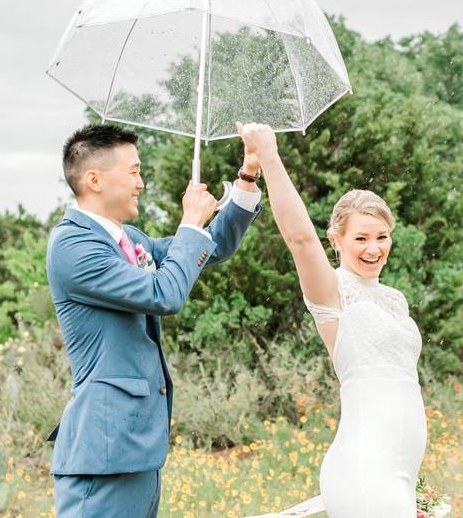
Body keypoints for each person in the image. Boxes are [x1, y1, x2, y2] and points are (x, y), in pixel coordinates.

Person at [45, 123, 263, 518]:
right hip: (103, 455)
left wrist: (246, 177)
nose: (141, 183)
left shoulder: (130, 239)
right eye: (133, 171)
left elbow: (205, 250)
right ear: (94, 179)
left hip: (136, 449)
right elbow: (164, 293)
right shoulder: (72, 246)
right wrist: (189, 222)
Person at [237, 122, 426, 518]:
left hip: (402, 472)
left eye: (382, 236)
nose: (374, 249)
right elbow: (299, 238)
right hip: (364, 469)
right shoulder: (333, 291)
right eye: (360, 238)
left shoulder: (395, 300)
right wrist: (268, 157)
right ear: (336, 240)